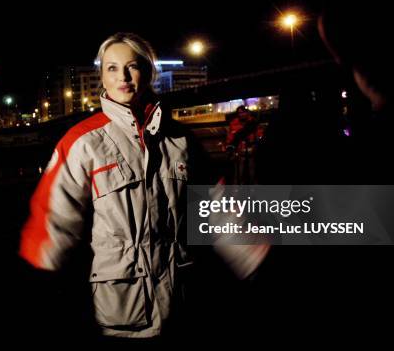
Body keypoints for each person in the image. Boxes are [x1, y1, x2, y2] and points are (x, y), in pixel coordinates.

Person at [19, 33, 267, 340]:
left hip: (181, 305)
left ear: (149, 72)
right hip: (119, 314)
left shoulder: (181, 140)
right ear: (102, 77)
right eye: (111, 68)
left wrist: (255, 257)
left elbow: (218, 208)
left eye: (132, 66)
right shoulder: (83, 142)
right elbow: (52, 221)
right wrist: (38, 292)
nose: (122, 76)